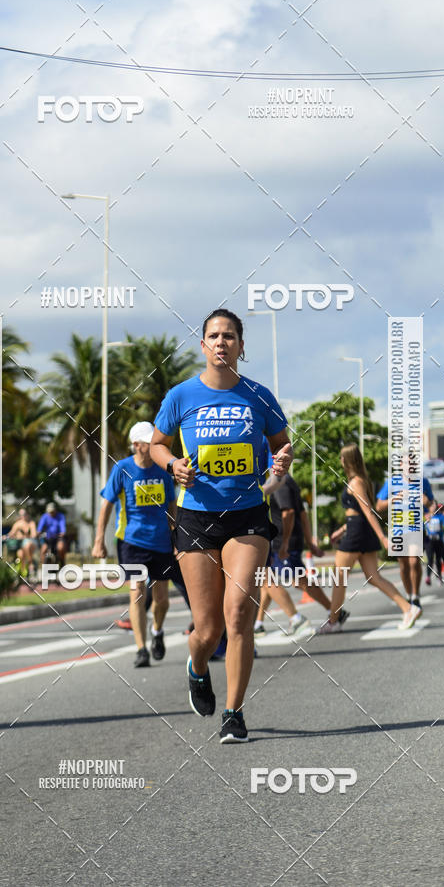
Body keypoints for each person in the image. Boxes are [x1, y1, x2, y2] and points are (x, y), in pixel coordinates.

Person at [150, 308, 293, 743]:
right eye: (213, 335)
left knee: (238, 616)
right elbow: (158, 444)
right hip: (195, 516)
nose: (221, 342)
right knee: (207, 630)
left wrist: (282, 462)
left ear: (241, 346)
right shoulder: (181, 396)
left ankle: (234, 712)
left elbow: (282, 444)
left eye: (229, 336)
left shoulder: (259, 396)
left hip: (248, 515)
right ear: (203, 346)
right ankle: (196, 666)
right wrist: (173, 464)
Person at [93, 421, 178, 668]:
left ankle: (158, 631)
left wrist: (176, 538)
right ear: (137, 445)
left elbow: (172, 507)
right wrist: (99, 540)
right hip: (132, 542)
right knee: (137, 591)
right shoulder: (122, 469)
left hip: (162, 542)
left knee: (162, 599)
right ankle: (141, 649)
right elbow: (107, 505)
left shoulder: (163, 471)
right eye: (148, 442)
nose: (153, 445)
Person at [317, 444, 421, 634]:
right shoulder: (361, 480)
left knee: (339, 577)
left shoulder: (356, 482)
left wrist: (383, 537)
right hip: (359, 530)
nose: (340, 461)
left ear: (348, 460)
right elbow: (358, 513)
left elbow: (368, 512)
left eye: (342, 457)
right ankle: (408, 608)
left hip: (357, 534)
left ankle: (334, 620)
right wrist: (341, 530)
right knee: (374, 577)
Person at [254, 454, 337, 637]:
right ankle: (258, 624)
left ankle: (303, 617)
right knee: (267, 581)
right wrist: (310, 542)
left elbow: (290, 512)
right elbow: (302, 514)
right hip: (287, 540)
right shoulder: (289, 481)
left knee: (285, 580)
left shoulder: (278, 481)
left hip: (282, 541)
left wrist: (284, 544)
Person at [375, 461, 434, 610]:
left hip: (416, 528)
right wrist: (393, 499)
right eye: (407, 463)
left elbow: (431, 503)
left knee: (414, 561)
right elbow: (378, 506)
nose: (410, 467)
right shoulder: (392, 482)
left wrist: (426, 502)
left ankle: (416, 595)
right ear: (400, 465)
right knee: (404, 565)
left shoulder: (423, 482)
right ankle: (408, 595)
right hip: (397, 529)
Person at [424, 500, 444, 586]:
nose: (433, 507)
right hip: (429, 541)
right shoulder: (425, 516)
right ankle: (428, 577)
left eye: (434, 505)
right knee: (430, 559)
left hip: (438, 541)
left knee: (438, 559)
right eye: (431, 505)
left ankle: (439, 576)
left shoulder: (441, 516)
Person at [6, 509, 38, 576]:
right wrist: (5, 537)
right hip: (19, 544)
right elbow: (11, 533)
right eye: (21, 515)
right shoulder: (18, 523)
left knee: (27, 545)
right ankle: (22, 572)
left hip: (30, 543)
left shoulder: (31, 523)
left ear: (27, 514)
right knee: (20, 555)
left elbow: (34, 534)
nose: (23, 516)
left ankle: (30, 564)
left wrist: (26, 536)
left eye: (24, 514)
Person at [37, 502, 67, 566]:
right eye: (50, 512)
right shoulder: (44, 517)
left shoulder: (60, 516)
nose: (51, 513)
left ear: (55, 510)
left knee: (60, 548)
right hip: (48, 538)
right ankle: (43, 567)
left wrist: (62, 532)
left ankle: (62, 562)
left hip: (58, 537)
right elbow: (40, 527)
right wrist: (38, 532)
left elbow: (62, 527)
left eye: (52, 511)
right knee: (43, 550)